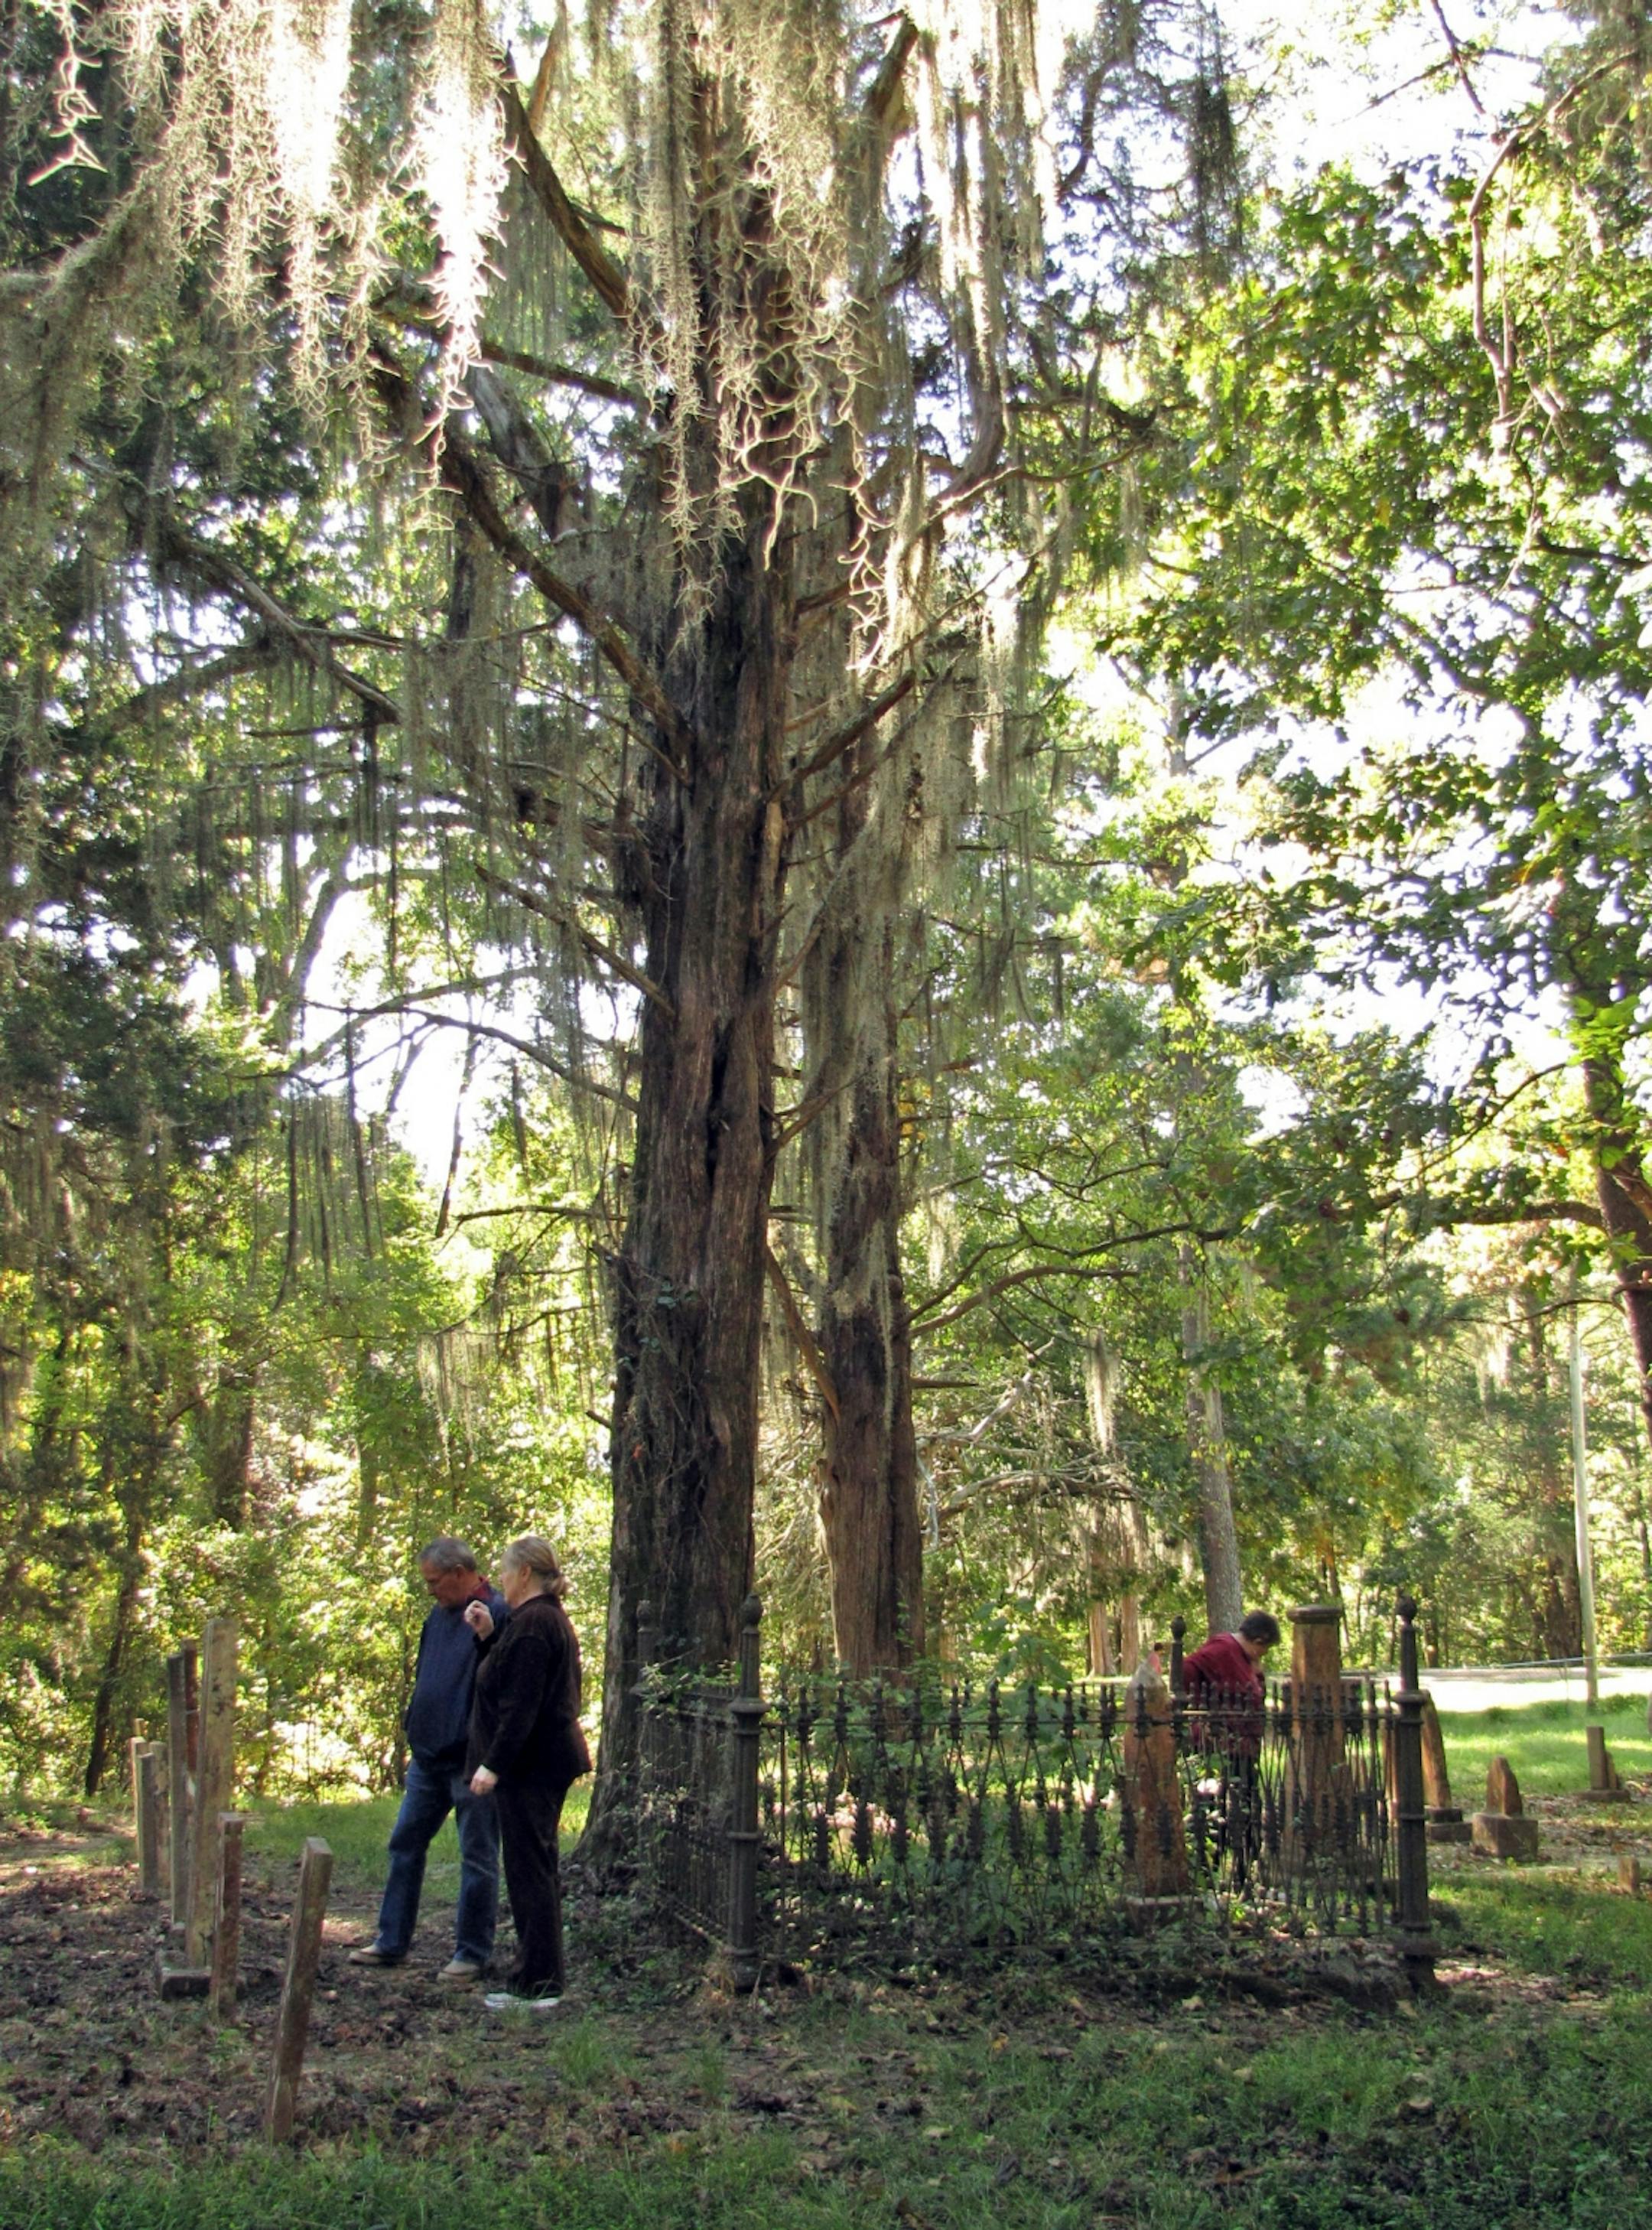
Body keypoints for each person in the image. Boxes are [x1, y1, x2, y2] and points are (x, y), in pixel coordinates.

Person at [348, 1537, 506, 1981]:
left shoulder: (498, 1613)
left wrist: (487, 1635)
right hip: (427, 1758)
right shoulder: (437, 1619)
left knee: (477, 1856)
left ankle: (471, 1953)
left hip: (470, 1760)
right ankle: (391, 1940)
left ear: (459, 1574)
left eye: (435, 1582)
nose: (431, 1591)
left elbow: (504, 1682)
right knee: (404, 1843)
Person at [464, 1534, 590, 2014]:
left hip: (533, 1766)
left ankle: (538, 1983)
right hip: (535, 1763)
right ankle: (539, 1974)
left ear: (523, 1574)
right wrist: (488, 1637)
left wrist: (493, 1764)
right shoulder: (530, 1622)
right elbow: (508, 1678)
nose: (498, 1578)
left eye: (503, 1569)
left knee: (530, 1871)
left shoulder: (537, 1624)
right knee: (530, 1868)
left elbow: (522, 1706)